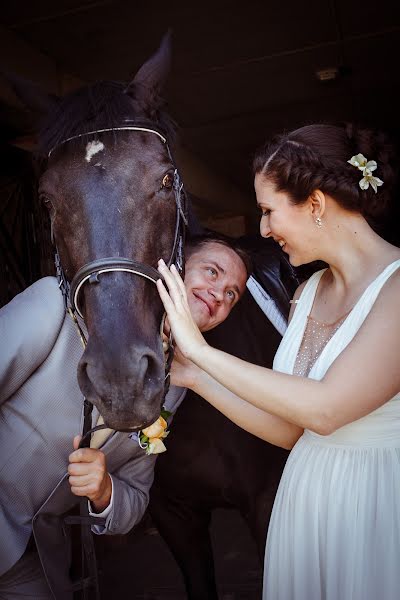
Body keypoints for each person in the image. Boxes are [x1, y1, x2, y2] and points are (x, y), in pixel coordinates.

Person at [156, 123, 400, 600]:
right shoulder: (307, 294)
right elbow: (291, 429)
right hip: (304, 504)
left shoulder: (397, 286)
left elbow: (326, 410)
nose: (263, 230)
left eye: (268, 211)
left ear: (314, 203)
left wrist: (203, 351)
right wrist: (194, 376)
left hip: (373, 503)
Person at [0, 234, 249, 599]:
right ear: (173, 266)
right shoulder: (57, 303)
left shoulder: (174, 384)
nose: (219, 294)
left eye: (232, 294)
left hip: (34, 557)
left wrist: (105, 491)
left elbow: (135, 496)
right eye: (212, 272)